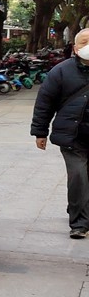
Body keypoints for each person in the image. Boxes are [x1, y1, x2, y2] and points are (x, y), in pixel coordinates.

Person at [32, 28, 89, 238]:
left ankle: (78, 206)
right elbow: (45, 103)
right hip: (72, 137)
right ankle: (80, 224)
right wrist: (40, 131)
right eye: (84, 42)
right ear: (75, 48)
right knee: (78, 177)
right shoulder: (61, 71)